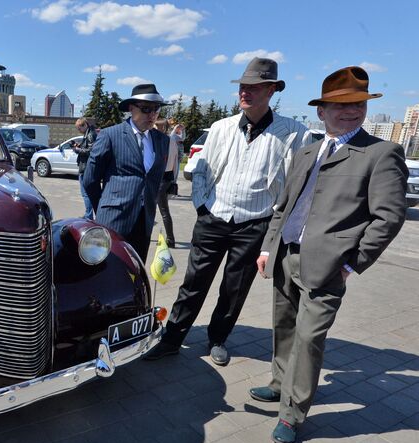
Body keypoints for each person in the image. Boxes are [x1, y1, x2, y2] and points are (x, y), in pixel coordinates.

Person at [253, 66, 407, 443]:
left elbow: (388, 217)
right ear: (321, 111)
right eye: (339, 105)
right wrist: (269, 246)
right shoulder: (306, 152)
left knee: (309, 337)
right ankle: (279, 382)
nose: (350, 111)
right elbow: (282, 207)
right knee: (285, 327)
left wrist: (353, 262)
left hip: (328, 267)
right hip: (287, 255)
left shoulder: (381, 153)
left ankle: (292, 412)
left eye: (357, 104)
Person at [144, 57, 312, 364]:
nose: (245, 92)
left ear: (272, 89)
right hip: (214, 218)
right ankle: (172, 338)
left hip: (255, 222)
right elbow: (200, 170)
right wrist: (201, 206)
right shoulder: (221, 128)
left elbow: (295, 184)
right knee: (194, 282)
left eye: (254, 87)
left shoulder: (292, 133)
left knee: (235, 288)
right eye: (243, 86)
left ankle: (217, 338)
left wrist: (276, 226)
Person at [82, 84, 170, 261]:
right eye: (146, 109)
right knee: (109, 272)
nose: (152, 115)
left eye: (156, 109)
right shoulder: (110, 135)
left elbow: (154, 179)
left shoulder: (162, 140)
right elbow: (90, 180)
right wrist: (104, 208)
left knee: (136, 272)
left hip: (144, 221)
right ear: (131, 108)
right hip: (113, 219)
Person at [155, 118, 177, 247]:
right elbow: (174, 161)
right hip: (166, 177)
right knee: (163, 210)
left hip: (161, 177)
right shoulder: (170, 140)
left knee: (162, 210)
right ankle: (170, 239)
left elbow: (168, 161)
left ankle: (170, 239)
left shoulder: (164, 140)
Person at [72, 117, 97, 219]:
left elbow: (91, 151)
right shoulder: (89, 134)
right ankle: (89, 214)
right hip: (85, 166)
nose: (79, 131)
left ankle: (88, 216)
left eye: (79, 128)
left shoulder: (90, 135)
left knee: (85, 193)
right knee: (87, 193)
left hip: (86, 168)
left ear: (84, 125)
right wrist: (79, 146)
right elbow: (87, 147)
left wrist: (77, 150)